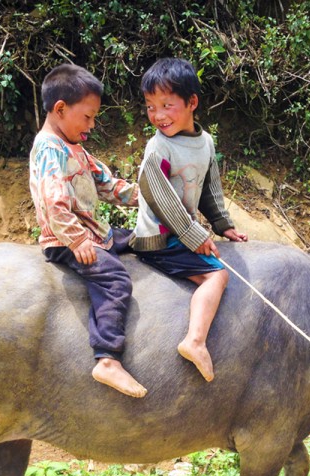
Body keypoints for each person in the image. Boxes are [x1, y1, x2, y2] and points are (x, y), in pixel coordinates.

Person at [30, 63, 147, 398]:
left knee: (140, 239)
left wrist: (147, 198)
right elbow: (54, 204)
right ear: (60, 109)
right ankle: (107, 357)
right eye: (88, 116)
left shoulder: (75, 146)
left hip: (95, 231)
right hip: (65, 240)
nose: (92, 125)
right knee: (115, 279)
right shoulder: (49, 149)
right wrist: (77, 239)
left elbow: (108, 185)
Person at [130, 57, 248, 382]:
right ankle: (194, 341)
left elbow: (210, 188)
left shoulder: (205, 143)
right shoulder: (158, 148)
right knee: (217, 277)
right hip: (159, 237)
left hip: (181, 233)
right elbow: (160, 197)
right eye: (151, 106)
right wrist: (193, 234)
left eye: (167, 105)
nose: (158, 115)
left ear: (192, 102)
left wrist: (223, 225)